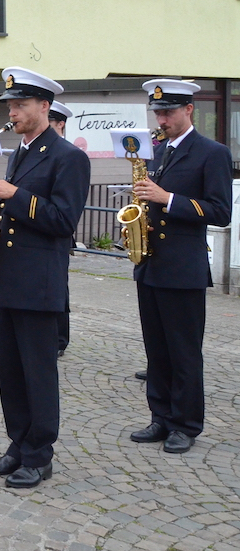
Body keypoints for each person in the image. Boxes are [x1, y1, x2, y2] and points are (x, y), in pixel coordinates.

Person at [0, 67, 90, 489]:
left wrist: (14, 195)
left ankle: (40, 455)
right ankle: (18, 443)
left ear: (45, 106)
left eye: (21, 104)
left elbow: (63, 221)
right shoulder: (21, 152)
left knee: (37, 372)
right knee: (10, 369)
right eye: (10, 105)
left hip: (38, 282)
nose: (13, 112)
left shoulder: (68, 157)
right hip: (7, 277)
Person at [128, 79, 232, 455]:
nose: (162, 119)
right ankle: (160, 416)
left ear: (189, 110)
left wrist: (167, 198)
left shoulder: (212, 152)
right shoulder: (155, 151)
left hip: (183, 268)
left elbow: (220, 211)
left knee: (183, 352)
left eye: (168, 112)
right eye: (158, 112)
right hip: (150, 264)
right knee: (156, 350)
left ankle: (185, 424)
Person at [48, 101, 74, 357]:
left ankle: (60, 338)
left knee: (59, 288)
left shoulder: (67, 154)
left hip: (57, 231)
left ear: (60, 124)